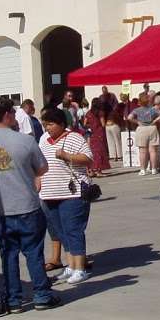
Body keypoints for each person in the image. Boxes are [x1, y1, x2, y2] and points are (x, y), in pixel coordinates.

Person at [0, 97, 61, 313]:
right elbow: (42, 168)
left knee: (8, 254)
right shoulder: (25, 141)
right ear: (7, 115)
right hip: (26, 205)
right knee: (33, 252)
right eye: (12, 114)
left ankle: (13, 299)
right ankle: (42, 295)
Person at [38, 109, 94, 285]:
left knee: (73, 230)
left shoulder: (74, 137)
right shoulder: (43, 140)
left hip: (72, 193)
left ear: (62, 124)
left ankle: (80, 269)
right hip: (48, 193)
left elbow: (88, 159)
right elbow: (39, 162)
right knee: (60, 231)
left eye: (51, 124)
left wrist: (67, 156)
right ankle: (70, 265)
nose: (48, 128)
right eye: (45, 124)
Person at [128, 93, 160, 175]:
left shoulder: (137, 110)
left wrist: (137, 122)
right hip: (152, 128)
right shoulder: (152, 109)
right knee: (153, 151)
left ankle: (142, 170)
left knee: (142, 151)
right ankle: (154, 169)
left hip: (141, 129)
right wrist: (156, 120)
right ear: (148, 101)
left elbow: (129, 117)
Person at [83, 103, 110, 176]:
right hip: (99, 133)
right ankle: (98, 171)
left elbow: (84, 124)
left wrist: (91, 125)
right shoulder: (100, 113)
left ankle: (91, 170)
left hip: (92, 133)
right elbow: (103, 124)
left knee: (93, 151)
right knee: (100, 151)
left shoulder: (88, 113)